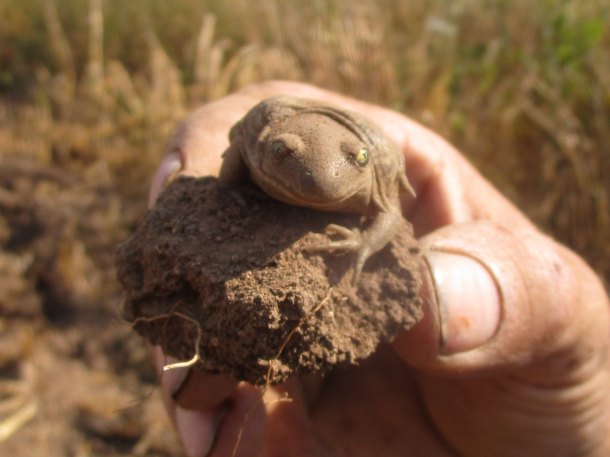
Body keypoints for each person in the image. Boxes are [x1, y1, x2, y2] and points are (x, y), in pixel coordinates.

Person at [147, 81, 610, 457]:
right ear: (268, 149)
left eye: (357, 160)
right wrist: (217, 204)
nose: (320, 179)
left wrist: (364, 243)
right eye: (285, 153)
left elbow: (388, 216)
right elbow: (233, 162)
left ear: (366, 162)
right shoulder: (259, 139)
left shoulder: (371, 182)